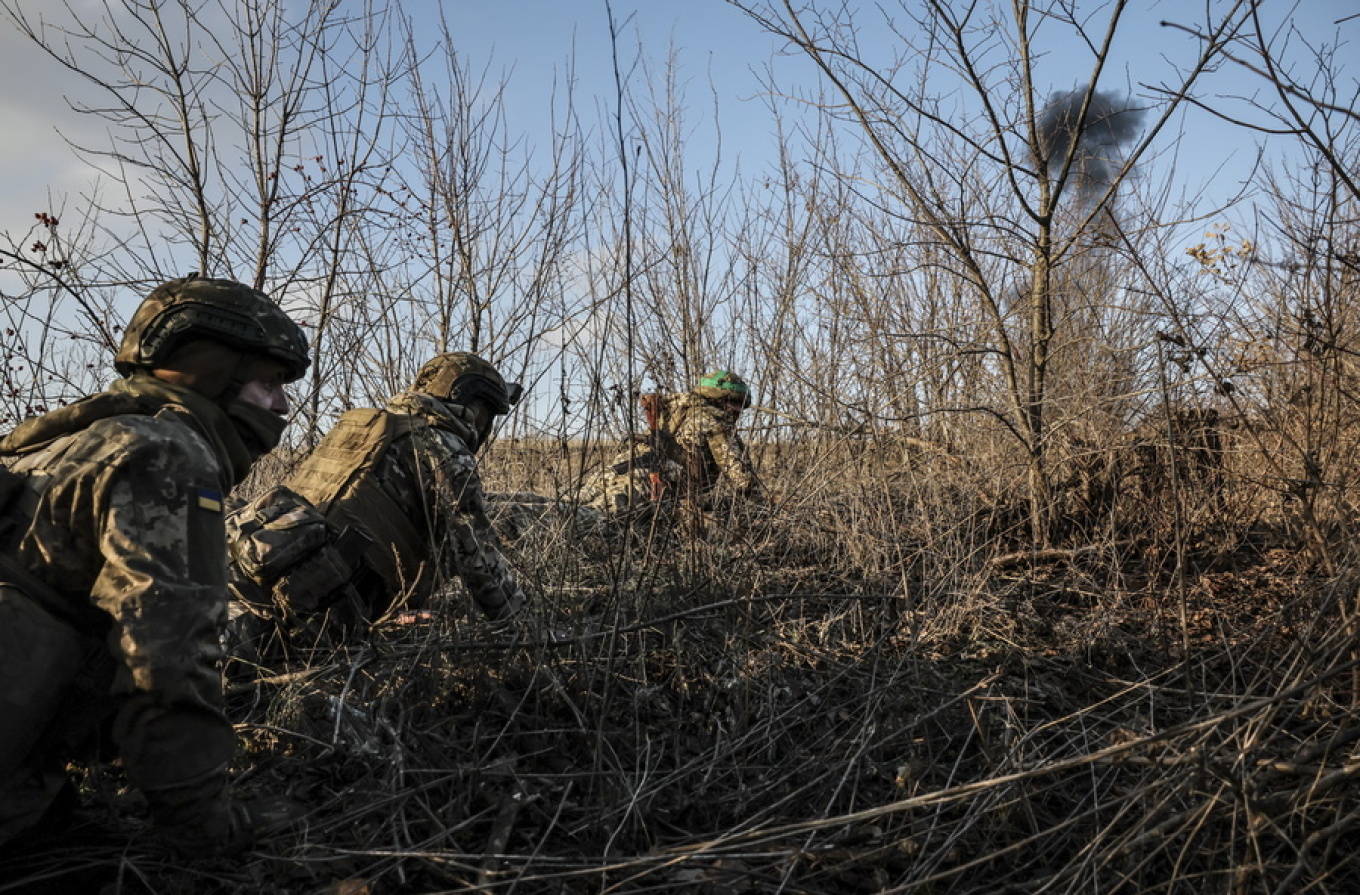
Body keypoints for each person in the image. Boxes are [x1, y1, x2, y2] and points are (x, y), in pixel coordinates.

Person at [0, 274, 310, 854]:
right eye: (270, 382)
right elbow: (166, 661)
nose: (282, 404)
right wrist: (202, 823)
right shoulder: (166, 454)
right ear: (214, 371)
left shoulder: (57, 442)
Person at [226, 352, 529, 649]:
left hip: (253, 569)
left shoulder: (366, 426)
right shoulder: (444, 448)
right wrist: (525, 630)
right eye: (488, 413)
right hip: (317, 602)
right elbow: (478, 557)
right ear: (474, 405)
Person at [582, 369, 762, 516]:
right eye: (737, 404)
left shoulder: (672, 411)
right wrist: (762, 507)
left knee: (568, 507)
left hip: (612, 472)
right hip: (644, 485)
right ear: (721, 399)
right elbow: (743, 480)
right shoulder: (715, 421)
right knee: (589, 520)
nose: (739, 412)